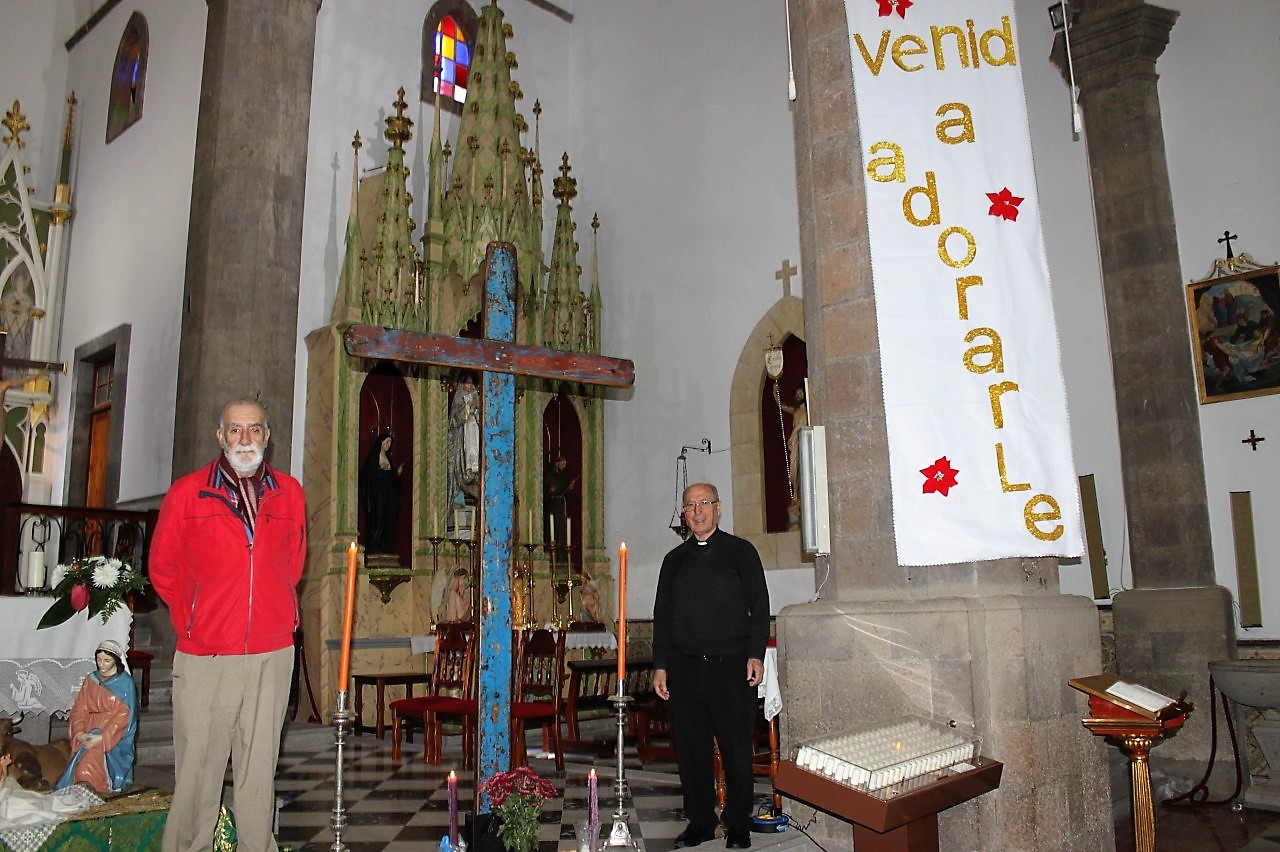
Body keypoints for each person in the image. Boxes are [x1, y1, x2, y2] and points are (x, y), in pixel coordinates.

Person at [150, 399, 305, 852]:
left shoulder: (290, 493)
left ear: (267, 436)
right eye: (235, 431)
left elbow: (291, 567)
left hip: (271, 652)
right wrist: (196, 618)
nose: (245, 440)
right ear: (220, 437)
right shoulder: (187, 493)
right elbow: (162, 568)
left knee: (259, 772)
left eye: (254, 430)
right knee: (199, 770)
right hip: (207, 656)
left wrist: (271, 612)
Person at [653, 483, 770, 849]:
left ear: (718, 508)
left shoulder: (741, 553)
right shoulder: (674, 561)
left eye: (704, 503)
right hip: (685, 669)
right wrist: (661, 665)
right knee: (691, 750)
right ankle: (701, 821)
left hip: (731, 666)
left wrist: (756, 653)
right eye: (690, 505)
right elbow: (663, 616)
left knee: (736, 749)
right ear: (684, 514)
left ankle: (738, 824)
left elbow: (760, 606)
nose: (698, 510)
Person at [54, 639, 137, 794]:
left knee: (85, 771)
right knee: (76, 769)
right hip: (87, 731)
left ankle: (96, 792)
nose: (102, 665)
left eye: (107, 661)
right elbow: (80, 709)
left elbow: (124, 716)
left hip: (110, 739)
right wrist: (79, 733)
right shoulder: (91, 680)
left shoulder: (125, 683)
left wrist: (102, 738)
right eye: (99, 660)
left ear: (116, 661)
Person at [360, 432, 404, 554]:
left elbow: (391, 479)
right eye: (386, 442)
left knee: (388, 519)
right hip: (378, 497)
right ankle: (374, 547)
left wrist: (396, 474)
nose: (388, 445)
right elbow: (367, 475)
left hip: (388, 496)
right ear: (381, 442)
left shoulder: (388, 458)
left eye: (390, 442)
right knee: (378, 519)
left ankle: (385, 547)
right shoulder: (374, 457)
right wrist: (379, 470)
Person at [447, 373, 481, 507]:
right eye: (467, 383)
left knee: (475, 447)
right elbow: (453, 421)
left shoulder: (476, 397)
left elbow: (481, 418)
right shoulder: (459, 399)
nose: (469, 386)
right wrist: (468, 408)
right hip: (463, 433)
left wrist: (477, 408)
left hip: (474, 429)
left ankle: (474, 470)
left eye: (471, 383)